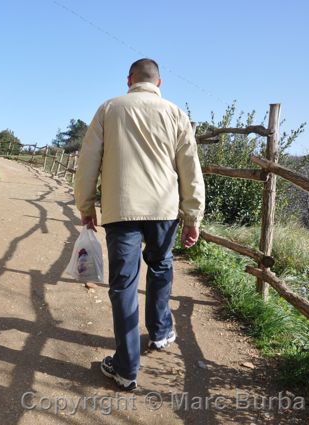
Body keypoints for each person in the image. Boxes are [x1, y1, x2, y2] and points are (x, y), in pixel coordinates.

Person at [74, 58, 205, 390]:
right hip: (164, 209)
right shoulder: (176, 114)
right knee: (161, 266)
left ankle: (126, 367)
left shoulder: (110, 109)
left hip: (122, 209)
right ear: (158, 84)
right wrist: (192, 216)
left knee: (124, 284)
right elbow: (190, 167)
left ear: (129, 80)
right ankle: (160, 332)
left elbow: (88, 160)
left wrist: (86, 204)